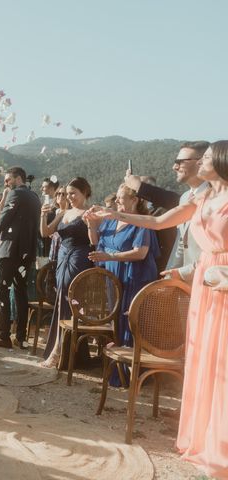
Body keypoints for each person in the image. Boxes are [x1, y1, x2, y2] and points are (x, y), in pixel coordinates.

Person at [87, 141, 228, 478]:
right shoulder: (202, 197)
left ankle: (221, 444)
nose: (200, 162)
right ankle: (202, 437)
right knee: (203, 358)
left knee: (222, 359)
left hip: (222, 280)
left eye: (206, 157)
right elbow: (161, 222)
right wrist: (114, 214)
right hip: (203, 284)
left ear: (221, 161)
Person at [85, 183, 159, 385]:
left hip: (135, 276)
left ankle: (133, 373)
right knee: (117, 320)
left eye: (120, 198)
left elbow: (141, 252)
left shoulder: (141, 223)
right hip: (113, 276)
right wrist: (91, 225)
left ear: (134, 200)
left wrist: (111, 255)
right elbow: (96, 241)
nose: (116, 201)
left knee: (132, 321)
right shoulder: (110, 221)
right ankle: (118, 368)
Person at [124, 141, 210, 283]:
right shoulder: (184, 198)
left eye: (180, 162)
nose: (174, 166)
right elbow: (181, 242)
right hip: (184, 281)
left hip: (211, 279)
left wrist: (139, 187)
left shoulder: (217, 196)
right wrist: (170, 274)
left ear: (201, 162)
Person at [40, 177, 93, 368]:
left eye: (73, 193)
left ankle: (59, 352)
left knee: (70, 299)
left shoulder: (89, 212)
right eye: (68, 193)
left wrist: (91, 224)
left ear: (84, 193)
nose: (69, 197)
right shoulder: (64, 212)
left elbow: (93, 240)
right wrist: (42, 215)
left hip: (79, 257)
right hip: (62, 257)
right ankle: (63, 351)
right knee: (61, 297)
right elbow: (45, 232)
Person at [0, 166, 41, 349]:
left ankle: (4, 336)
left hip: (9, 251)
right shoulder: (35, 197)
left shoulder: (16, 194)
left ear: (18, 179)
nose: (6, 184)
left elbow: (4, 218)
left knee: (1, 290)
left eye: (8, 180)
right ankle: (21, 337)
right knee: (21, 293)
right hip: (26, 254)